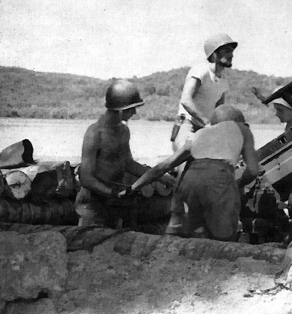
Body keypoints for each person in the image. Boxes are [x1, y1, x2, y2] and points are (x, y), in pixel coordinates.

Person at [131, 105, 260, 241]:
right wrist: (235, 185)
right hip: (219, 181)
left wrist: (134, 187)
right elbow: (253, 170)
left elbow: (165, 166)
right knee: (223, 240)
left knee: (179, 236)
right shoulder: (242, 130)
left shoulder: (198, 135)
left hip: (188, 182)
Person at [75, 79, 175, 228]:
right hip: (92, 207)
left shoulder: (123, 131)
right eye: (132, 108)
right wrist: (113, 192)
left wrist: (160, 176)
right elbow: (86, 178)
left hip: (113, 204)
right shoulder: (94, 133)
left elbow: (128, 164)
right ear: (121, 109)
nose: (134, 112)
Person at [166, 32, 238, 235]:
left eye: (232, 51)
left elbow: (220, 110)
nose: (231, 55)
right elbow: (186, 100)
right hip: (188, 126)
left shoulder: (222, 81)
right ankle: (175, 222)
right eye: (226, 51)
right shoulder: (200, 71)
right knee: (184, 172)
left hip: (205, 131)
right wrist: (206, 123)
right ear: (214, 54)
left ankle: (201, 224)